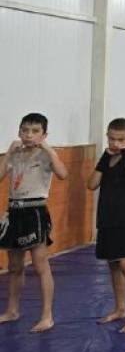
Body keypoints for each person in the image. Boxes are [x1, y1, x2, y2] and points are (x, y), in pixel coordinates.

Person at [0, 113, 68, 332]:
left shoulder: (46, 155)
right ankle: (12, 310)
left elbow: (63, 174)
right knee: (14, 266)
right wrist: (8, 153)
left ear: (44, 134)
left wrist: (48, 149)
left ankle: (47, 315)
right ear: (19, 132)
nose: (29, 135)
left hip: (34, 210)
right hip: (14, 210)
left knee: (40, 265)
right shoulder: (15, 154)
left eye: (35, 131)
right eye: (25, 130)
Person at [87, 118, 125, 332]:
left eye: (121, 139)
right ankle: (121, 308)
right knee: (113, 264)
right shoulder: (107, 159)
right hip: (107, 218)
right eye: (111, 139)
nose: (115, 143)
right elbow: (91, 184)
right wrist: (103, 159)